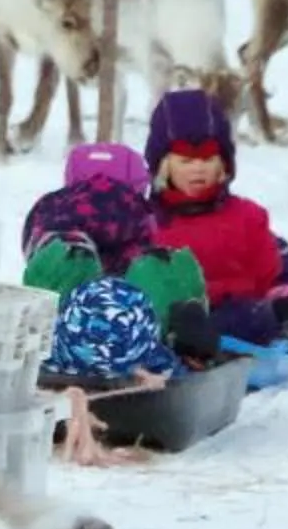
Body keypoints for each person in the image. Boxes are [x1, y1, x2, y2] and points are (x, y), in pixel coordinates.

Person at [145, 87, 288, 367]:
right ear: (164, 166)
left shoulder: (246, 218)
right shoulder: (145, 222)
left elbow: (277, 272)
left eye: (208, 159)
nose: (197, 169)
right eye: (186, 160)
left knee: (246, 314)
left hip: (237, 329)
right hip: (167, 326)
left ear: (223, 164)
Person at [22, 141, 220, 382]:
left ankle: (59, 336)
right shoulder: (136, 211)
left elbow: (31, 250)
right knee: (159, 267)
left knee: (62, 265)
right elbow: (142, 254)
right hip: (127, 335)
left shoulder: (50, 208)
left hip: (60, 322)